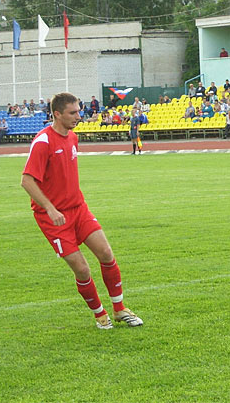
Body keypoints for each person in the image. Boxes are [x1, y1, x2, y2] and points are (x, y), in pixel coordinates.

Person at [20, 92, 143, 329]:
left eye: (79, 111)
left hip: (79, 209)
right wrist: (51, 209)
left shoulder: (73, 138)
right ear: (57, 114)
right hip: (53, 217)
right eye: (73, 113)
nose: (79, 116)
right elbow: (26, 180)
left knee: (106, 254)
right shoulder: (43, 141)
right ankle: (100, 314)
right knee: (82, 269)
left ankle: (120, 309)